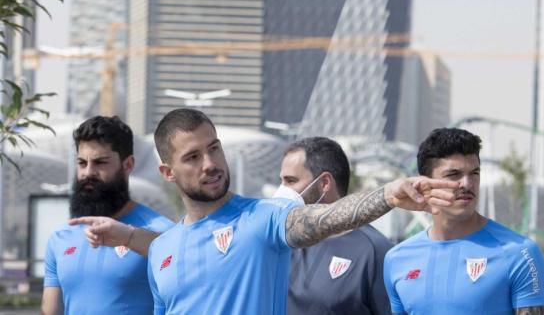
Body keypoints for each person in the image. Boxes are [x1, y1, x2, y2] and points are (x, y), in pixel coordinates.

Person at [71, 108, 459, 315]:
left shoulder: (264, 219)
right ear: (168, 172)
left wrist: (388, 195)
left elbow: (327, 218)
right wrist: (128, 236)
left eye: (214, 148)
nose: (210, 163)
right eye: (193, 156)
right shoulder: (161, 251)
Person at [383, 128, 544, 315]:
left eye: (474, 173)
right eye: (453, 174)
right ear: (425, 183)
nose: (467, 184)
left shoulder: (520, 253)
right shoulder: (397, 258)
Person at [41, 116, 174, 315]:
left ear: (128, 165)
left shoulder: (161, 234)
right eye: (82, 163)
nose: (88, 172)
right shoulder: (60, 238)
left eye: (100, 162)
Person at [274, 137, 392, 315]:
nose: (282, 191)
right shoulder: (281, 241)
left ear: (324, 183)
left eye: (291, 181)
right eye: (281, 181)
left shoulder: (374, 251)